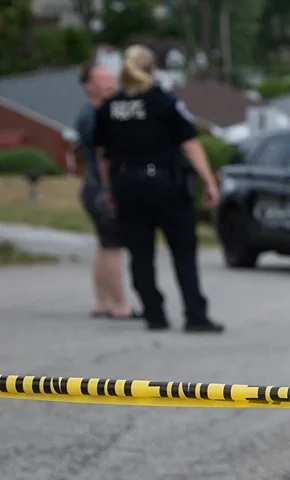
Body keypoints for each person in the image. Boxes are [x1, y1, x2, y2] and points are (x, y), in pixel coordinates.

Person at [93, 44, 224, 333]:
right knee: (183, 250)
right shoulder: (163, 102)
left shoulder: (109, 107)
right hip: (165, 185)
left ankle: (154, 314)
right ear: (153, 70)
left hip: (127, 185)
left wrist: (110, 188)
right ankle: (195, 315)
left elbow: (103, 155)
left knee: (140, 253)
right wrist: (210, 181)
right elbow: (189, 143)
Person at [75, 62, 143, 320]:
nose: (110, 84)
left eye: (111, 78)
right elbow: (107, 152)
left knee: (105, 246)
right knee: (114, 246)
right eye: (103, 80)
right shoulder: (94, 116)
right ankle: (119, 304)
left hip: (93, 187)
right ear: (89, 86)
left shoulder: (97, 112)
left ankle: (102, 301)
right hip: (102, 187)